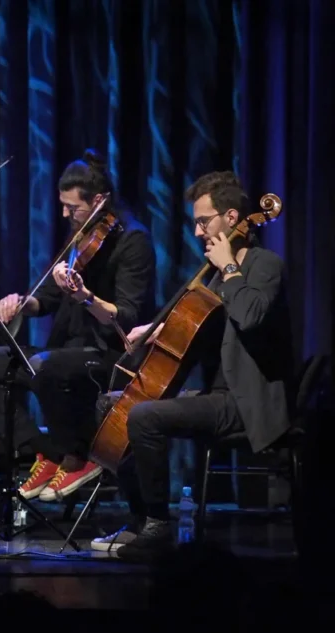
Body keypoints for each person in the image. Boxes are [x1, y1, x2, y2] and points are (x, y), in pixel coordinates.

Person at [106, 171, 295, 560]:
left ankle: (159, 527)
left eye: (203, 221)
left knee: (144, 418)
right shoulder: (212, 277)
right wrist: (161, 331)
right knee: (113, 404)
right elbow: (199, 335)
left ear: (230, 218)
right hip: (216, 396)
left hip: (246, 402)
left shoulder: (265, 265)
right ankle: (141, 519)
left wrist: (229, 267)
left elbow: (251, 316)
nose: (196, 232)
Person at [0, 150, 156, 501]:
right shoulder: (81, 234)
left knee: (46, 367)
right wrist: (21, 303)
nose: (65, 214)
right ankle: (44, 449)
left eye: (72, 207)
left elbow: (126, 317)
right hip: (59, 356)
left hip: (103, 356)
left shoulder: (132, 241)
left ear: (100, 200)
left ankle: (81, 454)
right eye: (63, 206)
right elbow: (44, 297)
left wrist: (85, 297)